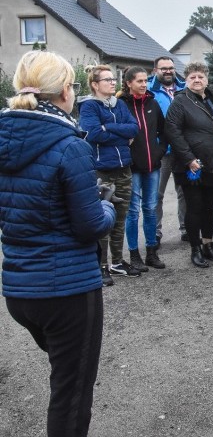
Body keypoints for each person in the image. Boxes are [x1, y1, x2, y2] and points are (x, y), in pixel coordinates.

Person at [0, 50, 116, 436]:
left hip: (19, 290)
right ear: (66, 91)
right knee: (71, 394)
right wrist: (105, 205)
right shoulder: (70, 146)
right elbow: (90, 226)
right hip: (66, 291)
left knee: (65, 376)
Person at [164, 62, 213, 268]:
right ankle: (195, 249)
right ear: (186, 80)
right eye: (192, 77)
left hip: (212, 162)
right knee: (194, 208)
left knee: (209, 208)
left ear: (206, 79)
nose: (197, 80)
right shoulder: (180, 102)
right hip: (189, 165)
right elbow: (172, 132)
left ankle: (208, 245)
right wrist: (189, 159)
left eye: (200, 77)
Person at [79, 64, 140, 283]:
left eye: (113, 79)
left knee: (120, 218)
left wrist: (109, 128)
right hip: (101, 172)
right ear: (95, 84)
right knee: (103, 220)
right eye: (107, 80)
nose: (113, 82)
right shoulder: (88, 107)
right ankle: (101, 266)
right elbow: (93, 134)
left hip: (123, 169)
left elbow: (134, 129)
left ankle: (117, 262)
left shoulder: (120, 104)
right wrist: (117, 132)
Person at [119, 66, 167, 271]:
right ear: (129, 83)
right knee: (132, 212)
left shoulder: (152, 103)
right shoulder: (120, 105)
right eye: (139, 81)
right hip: (132, 167)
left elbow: (164, 132)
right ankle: (134, 254)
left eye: (145, 81)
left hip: (152, 166)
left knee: (149, 209)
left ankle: (151, 253)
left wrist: (159, 152)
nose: (143, 84)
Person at [148, 56, 187, 243]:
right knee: (157, 193)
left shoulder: (185, 89)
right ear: (155, 70)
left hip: (182, 149)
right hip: (160, 150)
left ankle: (186, 228)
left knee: (184, 191)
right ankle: (156, 231)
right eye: (163, 68)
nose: (168, 71)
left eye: (171, 68)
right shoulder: (149, 90)